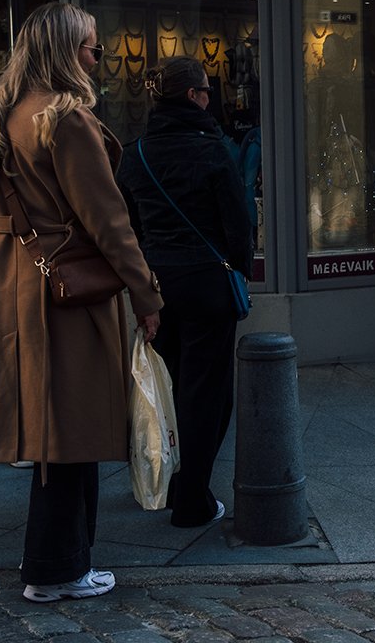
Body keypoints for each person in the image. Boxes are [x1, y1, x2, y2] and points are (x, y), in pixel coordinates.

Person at [0, 2, 163, 602]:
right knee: (72, 428)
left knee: (54, 429)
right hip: (69, 289)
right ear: (61, 51)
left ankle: (59, 564)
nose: (96, 57)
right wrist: (146, 293)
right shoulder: (65, 120)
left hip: (18, 283)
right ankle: (57, 569)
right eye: (89, 47)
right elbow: (109, 221)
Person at [116, 56, 253, 528]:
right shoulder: (214, 150)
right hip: (209, 285)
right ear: (194, 96)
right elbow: (238, 226)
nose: (210, 99)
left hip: (157, 287)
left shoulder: (134, 154)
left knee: (168, 389)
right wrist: (239, 267)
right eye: (206, 92)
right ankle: (191, 495)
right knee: (208, 394)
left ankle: (169, 481)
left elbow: (127, 229)